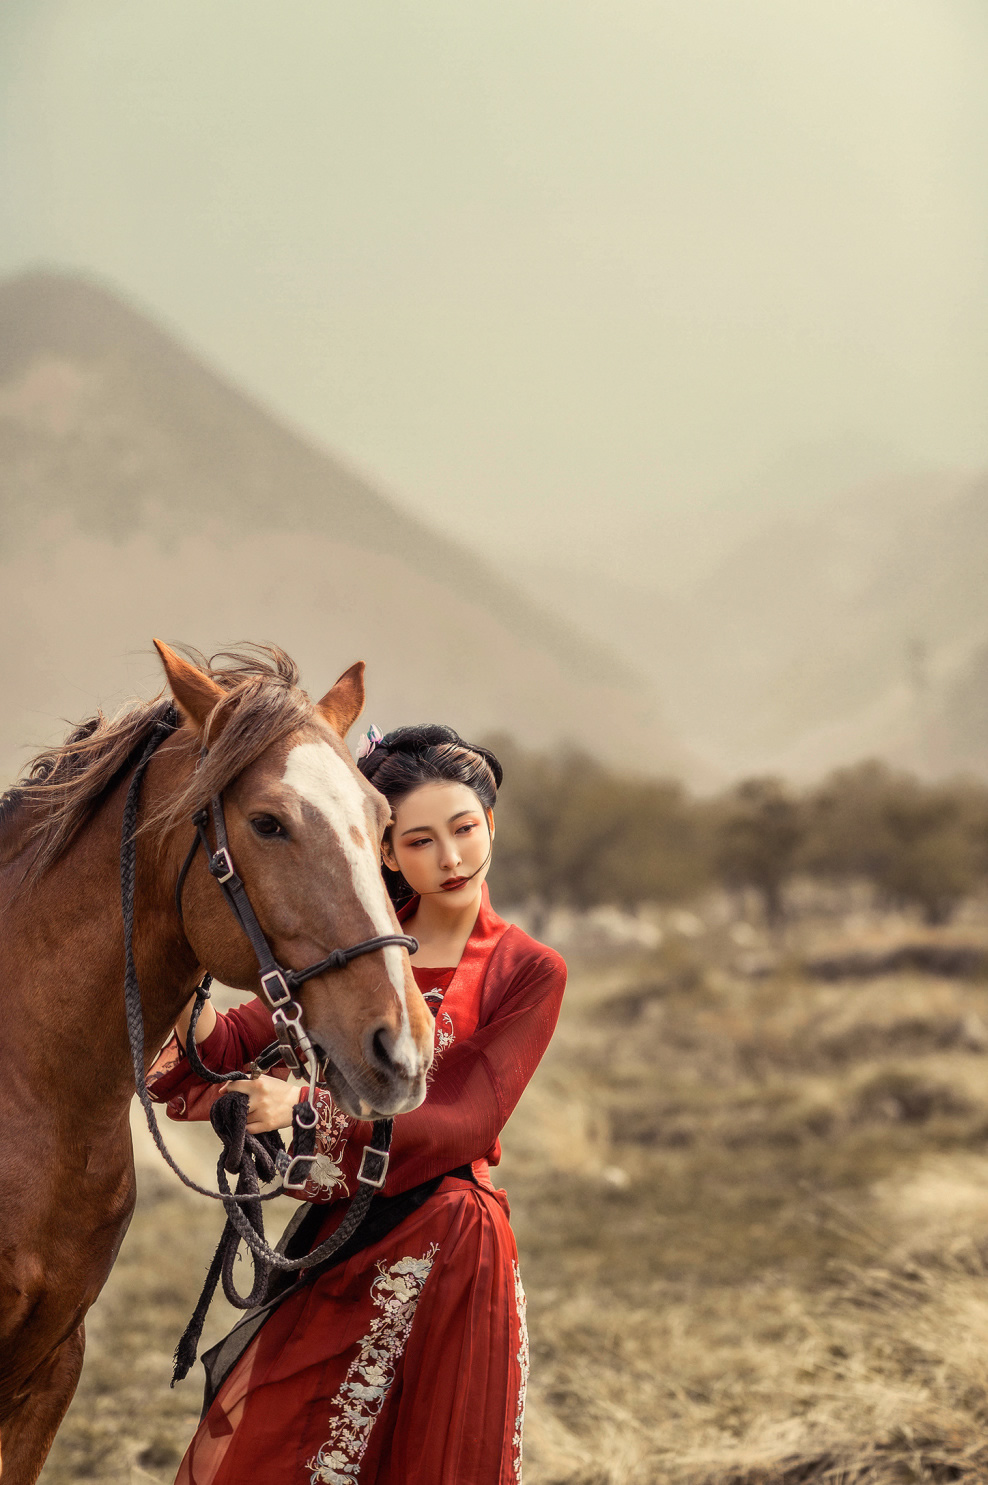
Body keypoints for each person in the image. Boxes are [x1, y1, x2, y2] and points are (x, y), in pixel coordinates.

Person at [147, 723, 567, 1485]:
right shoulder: (357, 955)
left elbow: (464, 1120)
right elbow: (226, 1048)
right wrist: (180, 962)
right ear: (383, 850)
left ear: (491, 824)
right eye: (420, 840)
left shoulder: (527, 969)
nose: (450, 858)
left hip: (448, 1244)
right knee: (276, 1452)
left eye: (465, 828)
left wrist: (305, 1111)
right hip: (338, 1238)